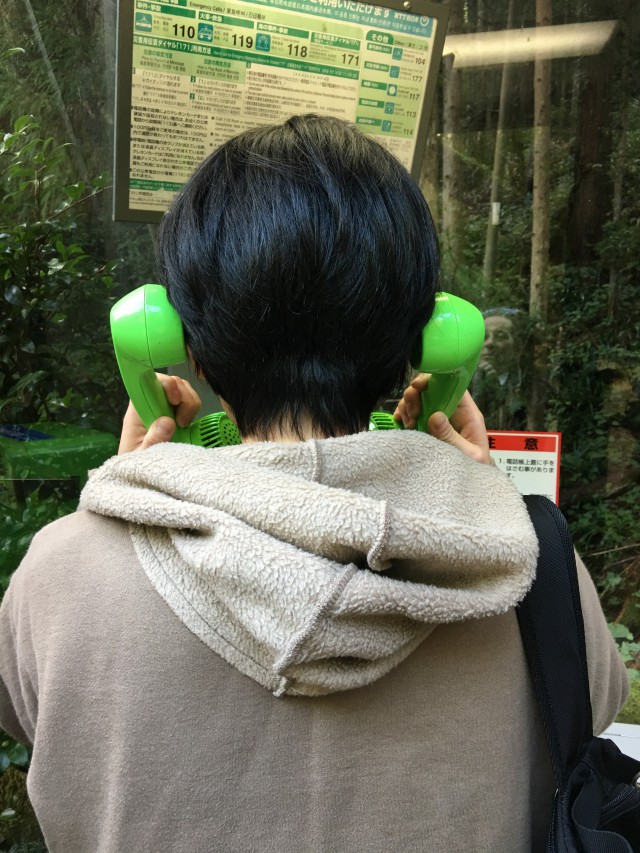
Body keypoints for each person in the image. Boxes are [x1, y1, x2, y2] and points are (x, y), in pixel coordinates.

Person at [0, 115, 627, 852]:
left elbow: (31, 709)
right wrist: (483, 503)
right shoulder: (533, 572)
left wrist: (119, 503)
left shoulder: (62, 574)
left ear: (182, 341)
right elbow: (592, 704)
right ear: (421, 339)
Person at [472, 308, 527, 431]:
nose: (490, 343)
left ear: (516, 348)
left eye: (500, 336)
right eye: (484, 336)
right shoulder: (461, 385)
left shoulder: (526, 386)